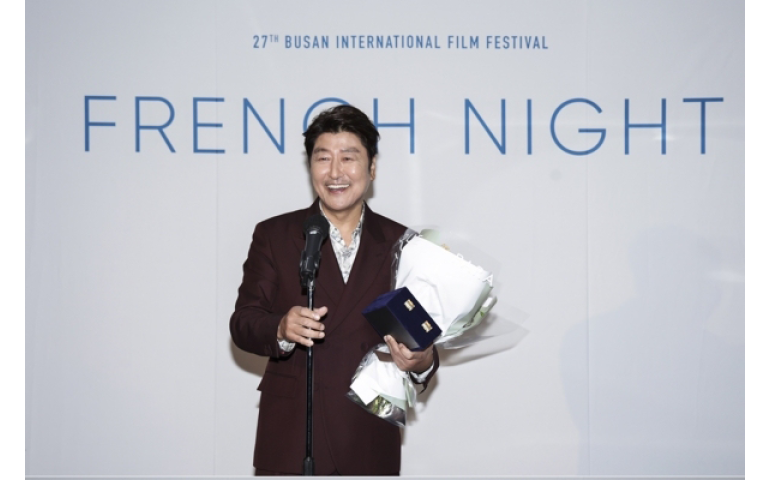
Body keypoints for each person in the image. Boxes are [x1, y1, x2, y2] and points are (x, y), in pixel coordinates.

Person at [230, 104, 438, 475]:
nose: (335, 172)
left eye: (349, 158)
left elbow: (421, 338)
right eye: (323, 158)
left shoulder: (402, 243)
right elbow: (243, 322)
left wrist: (421, 360)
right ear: (310, 166)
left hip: (367, 432)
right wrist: (280, 328)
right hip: (295, 434)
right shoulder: (276, 235)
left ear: (372, 167)